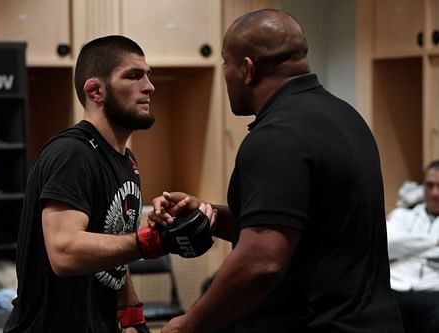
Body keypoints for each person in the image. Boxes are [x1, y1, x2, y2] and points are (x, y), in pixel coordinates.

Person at [148, 9, 404, 333]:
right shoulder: (346, 117)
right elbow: (293, 227)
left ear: (247, 69)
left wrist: (189, 324)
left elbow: (262, 261)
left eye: (226, 63)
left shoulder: (276, 136)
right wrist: (207, 213)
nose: (225, 74)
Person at [3, 35, 215, 333]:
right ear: (95, 90)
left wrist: (132, 316)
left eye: (148, 75)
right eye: (134, 75)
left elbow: (114, 247)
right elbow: (64, 252)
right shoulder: (72, 154)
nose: (149, 86)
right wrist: (152, 242)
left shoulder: (125, 161)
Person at [387, 160, 439, 333]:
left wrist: (407, 245)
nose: (435, 193)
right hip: (396, 286)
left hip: (433, 291)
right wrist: (434, 242)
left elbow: (398, 245)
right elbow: (387, 246)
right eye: (429, 185)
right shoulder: (403, 215)